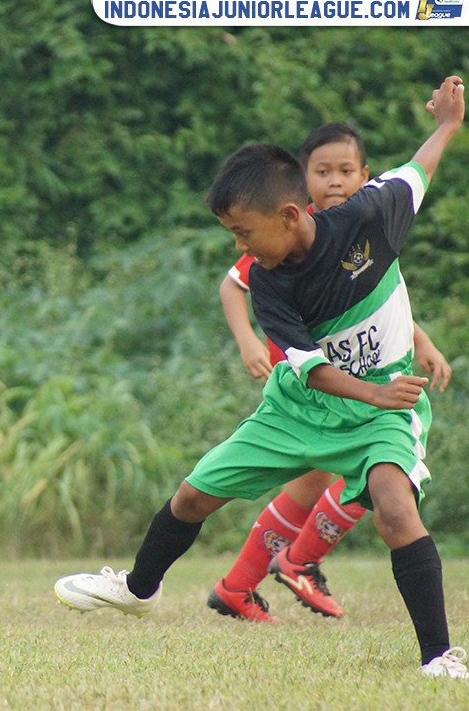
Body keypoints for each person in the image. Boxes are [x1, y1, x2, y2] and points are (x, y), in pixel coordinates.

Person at [55, 76, 467, 678]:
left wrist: (448, 125)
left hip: (379, 414)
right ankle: (138, 590)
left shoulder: (370, 215)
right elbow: (311, 370)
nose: (239, 246)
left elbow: (417, 170)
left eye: (243, 232)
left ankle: (438, 657)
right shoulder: (269, 283)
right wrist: (373, 390)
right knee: (193, 495)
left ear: (289, 215)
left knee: (393, 507)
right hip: (299, 408)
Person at [208, 123, 452, 622]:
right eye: (322, 172)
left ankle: (250, 580)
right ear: (302, 183)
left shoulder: (362, 226)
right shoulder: (286, 233)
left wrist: (421, 341)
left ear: (366, 176)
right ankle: (293, 563)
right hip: (310, 371)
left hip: (354, 376)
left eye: (346, 170)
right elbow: (234, 283)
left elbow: (377, 299)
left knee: (343, 478)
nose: (335, 181)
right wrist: (248, 340)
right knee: (357, 472)